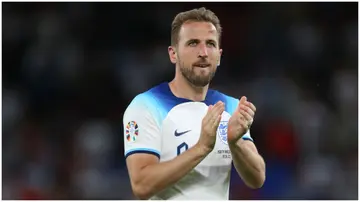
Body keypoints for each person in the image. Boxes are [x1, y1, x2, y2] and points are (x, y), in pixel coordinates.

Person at [123, 7, 266, 200]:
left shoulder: (230, 107)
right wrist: (202, 148)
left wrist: (235, 142)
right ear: (173, 54)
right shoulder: (146, 106)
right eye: (193, 43)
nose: (203, 52)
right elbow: (141, 185)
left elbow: (257, 178)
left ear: (219, 56)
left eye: (210, 44)